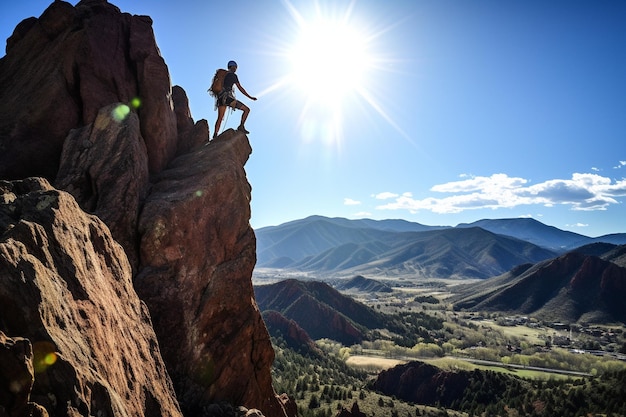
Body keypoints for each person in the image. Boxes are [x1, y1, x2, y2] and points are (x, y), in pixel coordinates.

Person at [214, 60, 257, 139]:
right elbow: (240, 88)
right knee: (247, 110)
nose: (235, 69)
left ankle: (215, 134)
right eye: (235, 67)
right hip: (228, 98)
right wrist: (250, 97)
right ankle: (241, 126)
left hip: (220, 97)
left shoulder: (224, 75)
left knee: (220, 118)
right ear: (234, 67)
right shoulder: (233, 75)